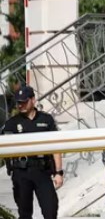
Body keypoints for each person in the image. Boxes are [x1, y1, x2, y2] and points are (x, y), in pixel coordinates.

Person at [2, 85, 63, 219]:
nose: (20, 105)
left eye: (24, 101)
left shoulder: (46, 120)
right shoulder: (12, 124)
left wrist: (58, 172)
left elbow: (56, 146)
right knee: (24, 213)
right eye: (18, 102)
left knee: (51, 209)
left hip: (42, 171)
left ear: (33, 100)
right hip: (21, 172)